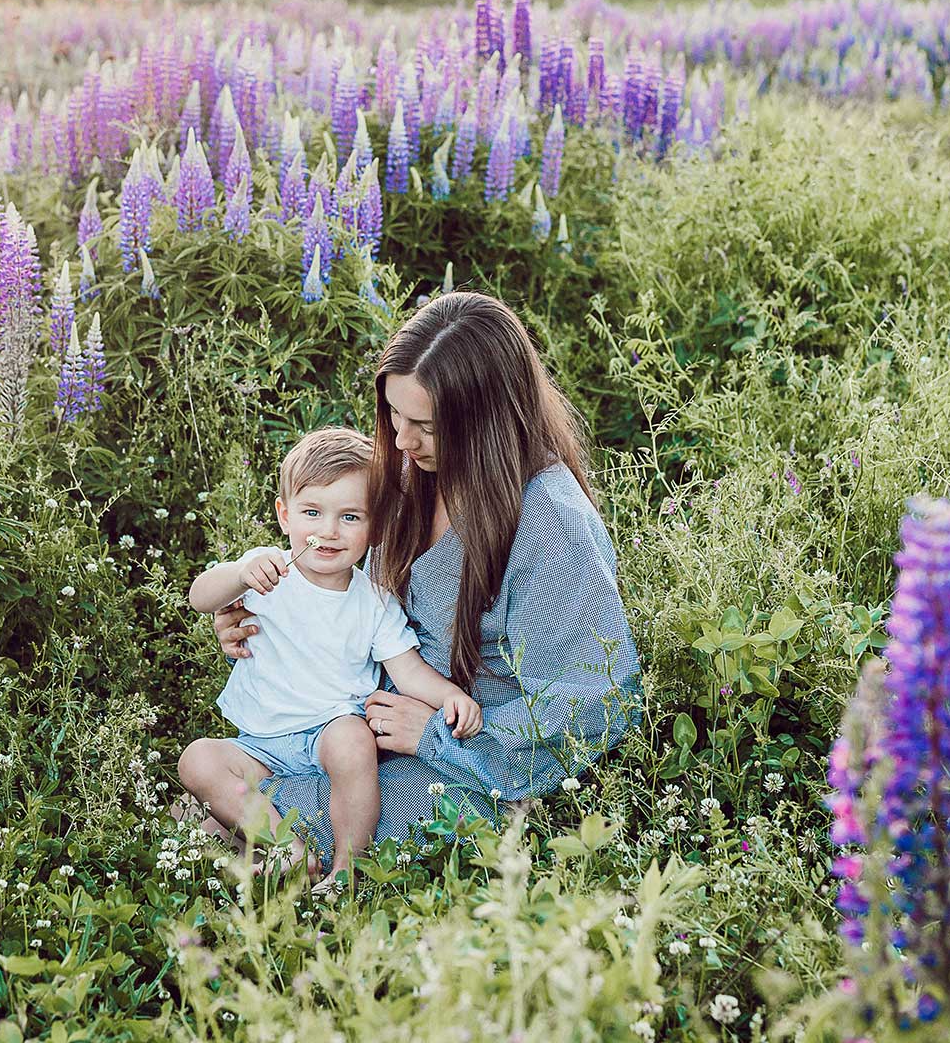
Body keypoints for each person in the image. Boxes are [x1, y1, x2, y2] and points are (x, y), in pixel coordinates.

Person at [208, 292, 643, 872]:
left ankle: (288, 852)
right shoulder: (416, 471)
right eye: (395, 414)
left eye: (427, 427)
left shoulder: (550, 523)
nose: (402, 442)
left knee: (230, 816)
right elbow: (356, 601)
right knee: (216, 784)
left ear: (487, 422)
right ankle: (273, 839)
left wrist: (435, 733)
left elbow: (596, 701)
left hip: (472, 766)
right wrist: (267, 620)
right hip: (354, 728)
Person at [179, 426, 483, 883]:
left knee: (353, 741)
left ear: (375, 528)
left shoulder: (374, 600)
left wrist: (450, 697)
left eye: (350, 517)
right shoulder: (266, 571)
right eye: (312, 512)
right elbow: (200, 597)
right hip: (260, 743)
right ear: (284, 515)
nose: (328, 531)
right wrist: (239, 574)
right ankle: (288, 849)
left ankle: (346, 867)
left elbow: (408, 670)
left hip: (329, 732)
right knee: (198, 759)